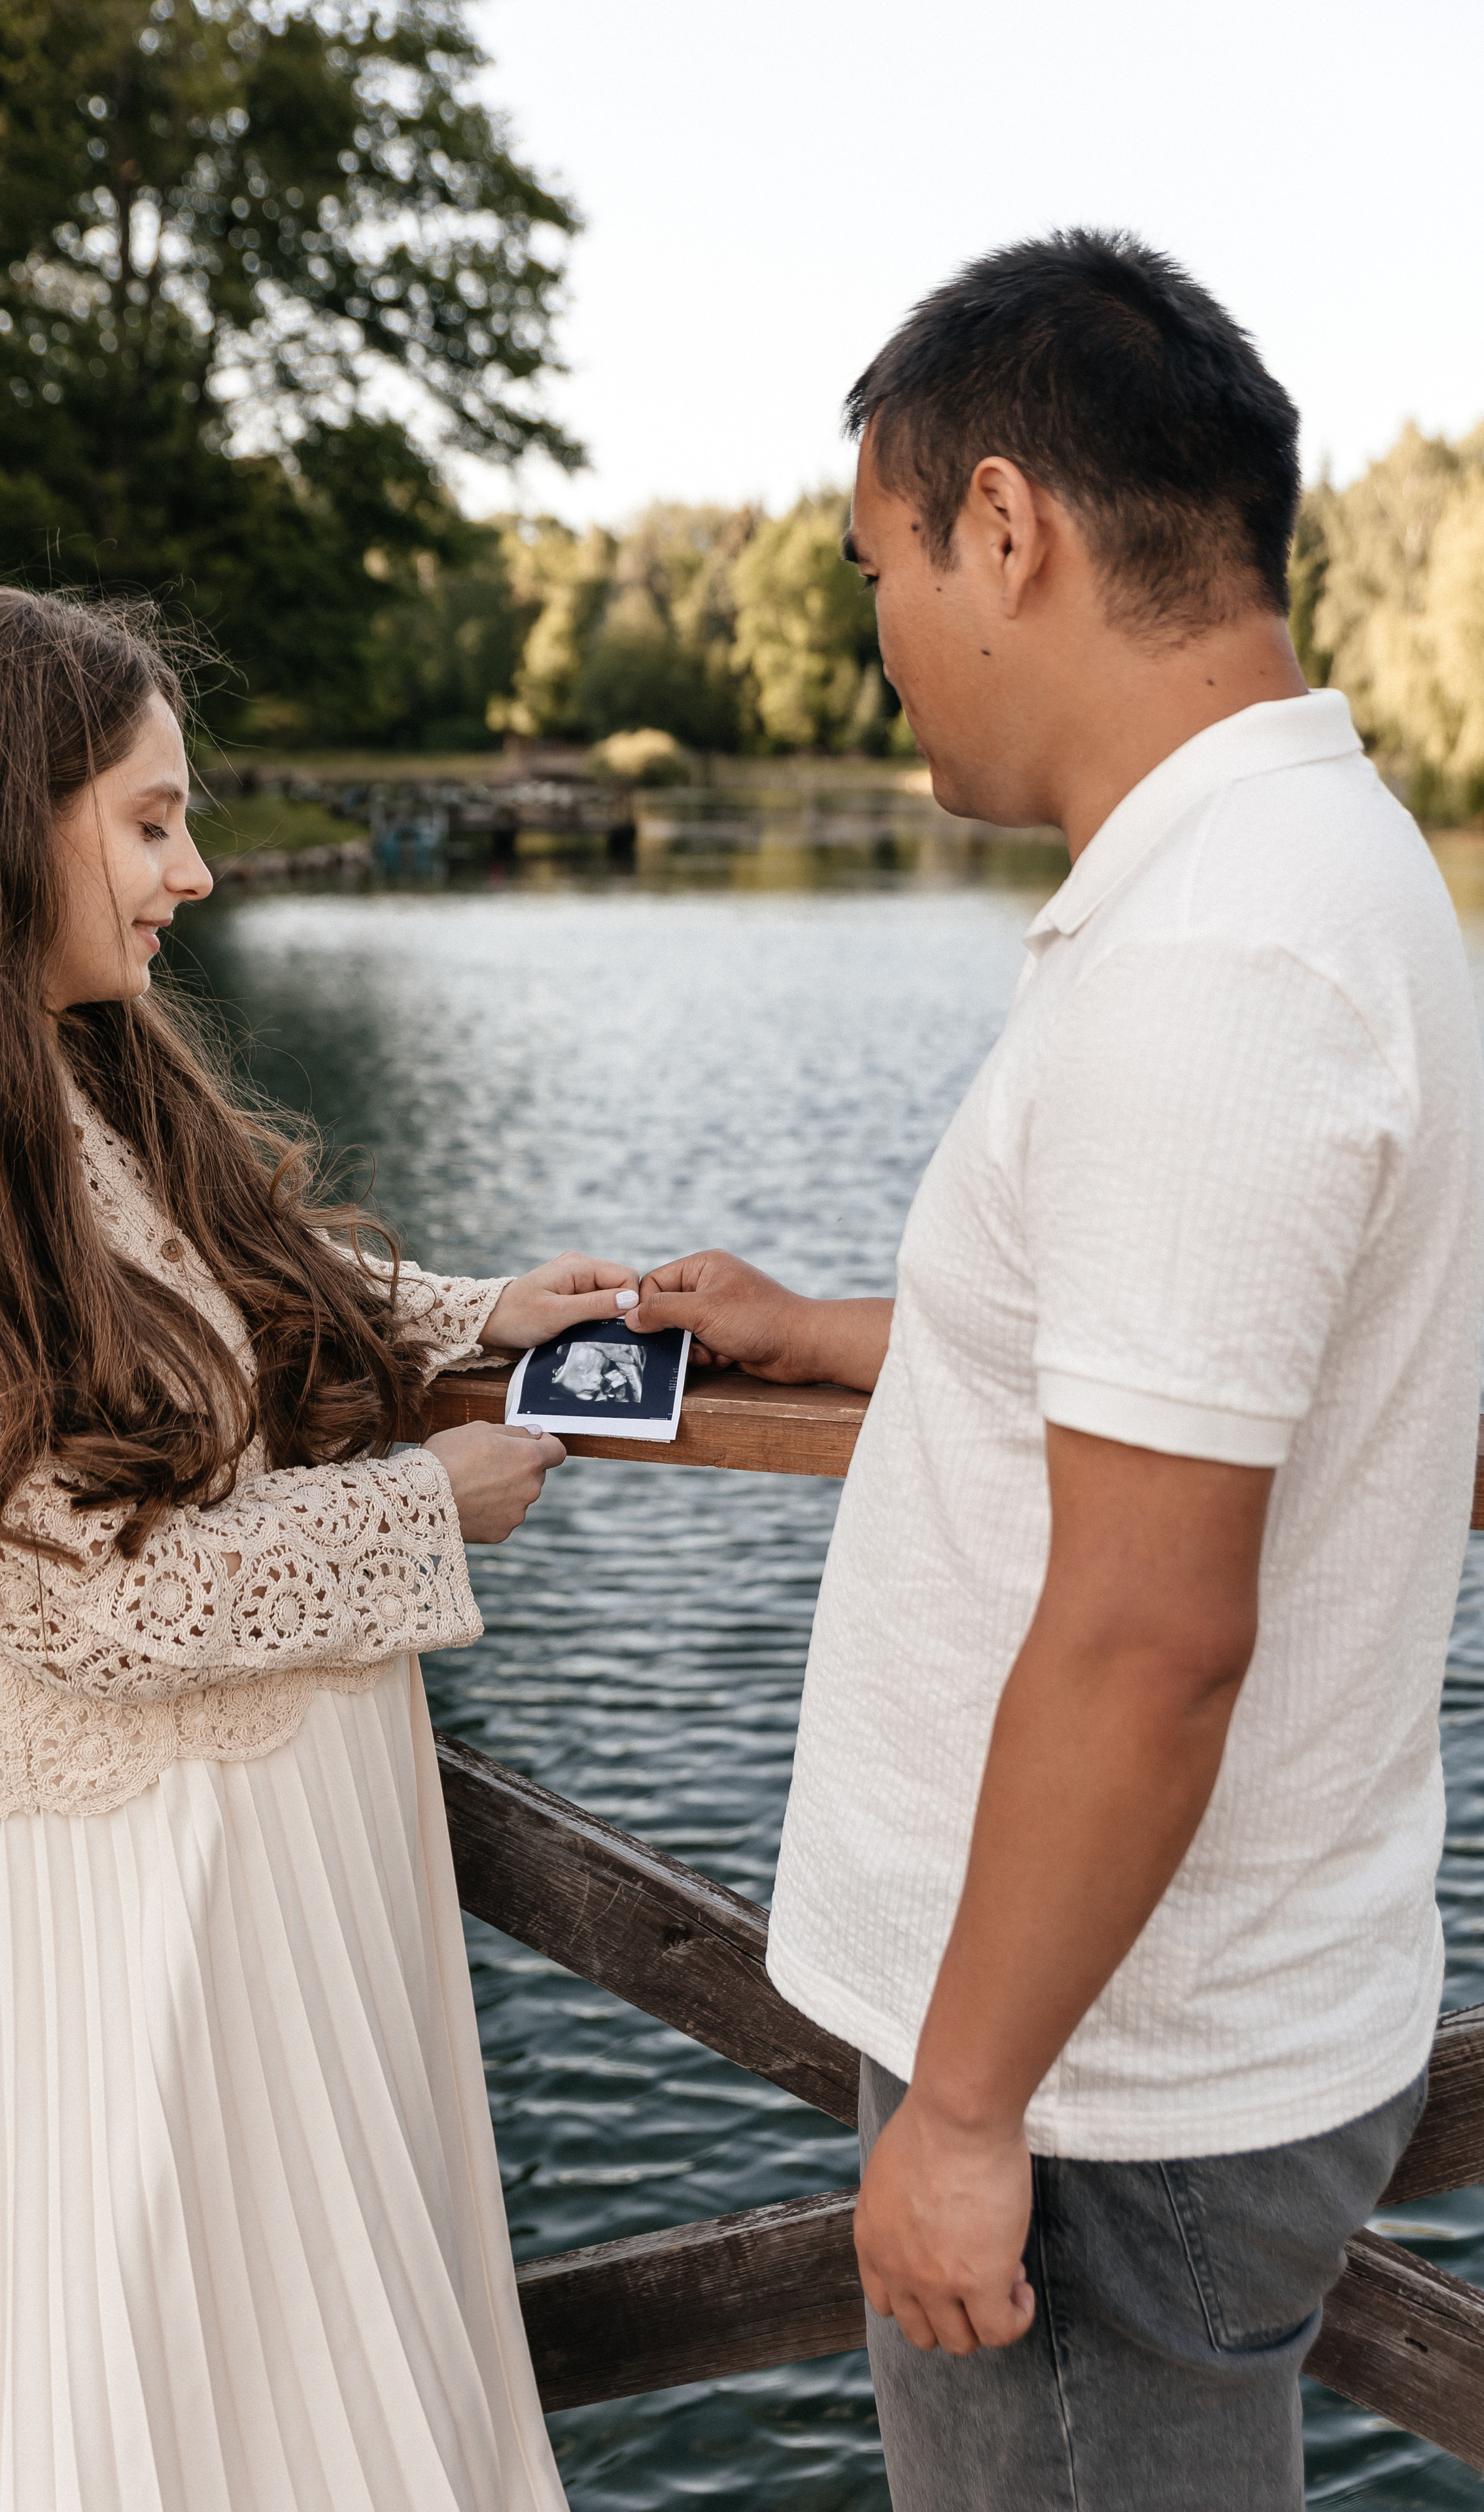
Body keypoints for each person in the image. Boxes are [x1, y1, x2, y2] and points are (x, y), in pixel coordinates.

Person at [629, 230, 1484, 2509]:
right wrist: (839, 1337)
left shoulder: (1223, 964)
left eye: (878, 564)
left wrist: (972, 2108)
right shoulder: (1297, 866)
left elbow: (1148, 1636)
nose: (876, 635)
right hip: (1154, 2062)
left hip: (1107, 2108)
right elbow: (1180, 1376)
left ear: (1005, 529)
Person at [0, 585, 643, 2512]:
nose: (192, 871)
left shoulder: (76, 1065)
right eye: (152, 821)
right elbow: (93, 1600)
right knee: (160, 2416)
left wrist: (485, 1314)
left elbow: (256, 1283)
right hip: (111, 1905)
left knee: (328, 2396)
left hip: (273, 1846)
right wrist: (429, 1499)